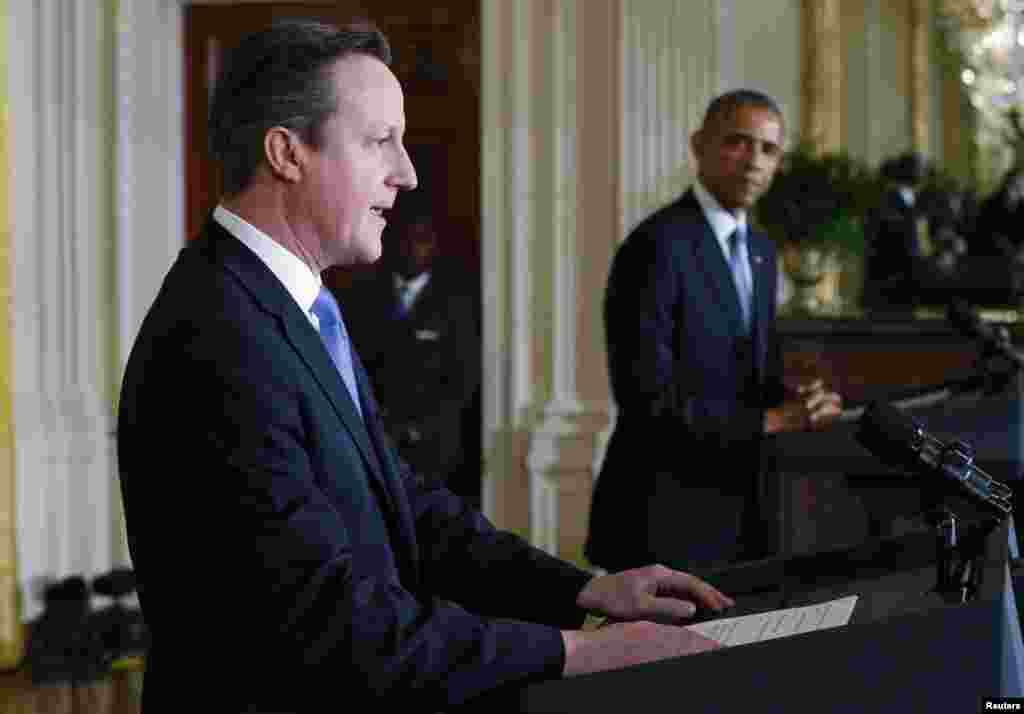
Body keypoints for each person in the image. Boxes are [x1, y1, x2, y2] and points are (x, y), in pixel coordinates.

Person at [116, 20, 734, 713]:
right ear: (287, 153)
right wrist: (579, 650)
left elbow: (398, 499)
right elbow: (330, 625)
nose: (406, 172)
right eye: (380, 140)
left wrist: (580, 591)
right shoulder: (218, 336)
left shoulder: (291, 300)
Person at [585, 89, 843, 575]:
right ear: (699, 145)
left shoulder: (763, 251)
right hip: (660, 517)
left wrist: (796, 397)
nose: (753, 163)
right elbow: (646, 401)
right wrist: (773, 420)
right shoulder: (655, 246)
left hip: (741, 515)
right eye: (738, 143)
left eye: (768, 150)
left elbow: (740, 372)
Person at [340, 203, 482, 506]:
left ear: (435, 246)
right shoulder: (362, 299)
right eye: (404, 239)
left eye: (421, 240)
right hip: (377, 441)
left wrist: (422, 425)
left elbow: (464, 378)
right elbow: (352, 368)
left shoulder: (457, 304)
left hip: (437, 449)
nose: (411, 248)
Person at [863, 151, 935, 308]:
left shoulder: (919, 203)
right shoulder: (885, 201)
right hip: (888, 290)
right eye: (920, 168)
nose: (924, 173)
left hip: (910, 289)